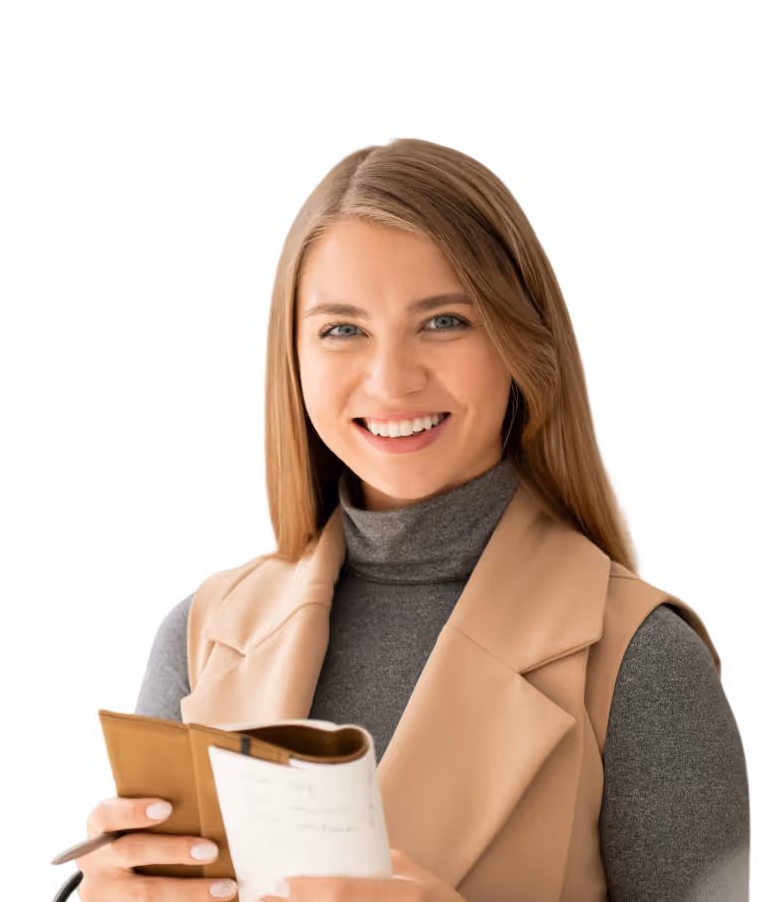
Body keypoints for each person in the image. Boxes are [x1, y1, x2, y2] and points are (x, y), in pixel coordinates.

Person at [71, 138, 750, 901]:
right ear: (292, 359)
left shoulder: (641, 659)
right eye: (342, 329)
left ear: (521, 342)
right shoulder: (198, 635)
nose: (391, 380)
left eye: (443, 321)